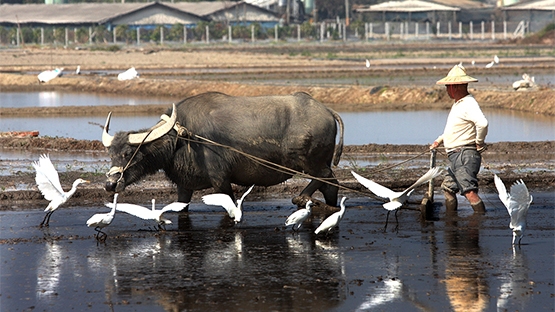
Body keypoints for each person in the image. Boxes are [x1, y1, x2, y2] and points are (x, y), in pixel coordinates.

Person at [430, 64, 488, 214]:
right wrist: (439, 140)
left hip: (464, 155)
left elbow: (482, 123)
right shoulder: (459, 104)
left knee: (469, 192)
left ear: (454, 87)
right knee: (448, 189)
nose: (447, 90)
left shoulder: (469, 103)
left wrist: (479, 142)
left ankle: (480, 222)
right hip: (456, 156)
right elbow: (454, 129)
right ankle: (451, 221)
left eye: (448, 86)